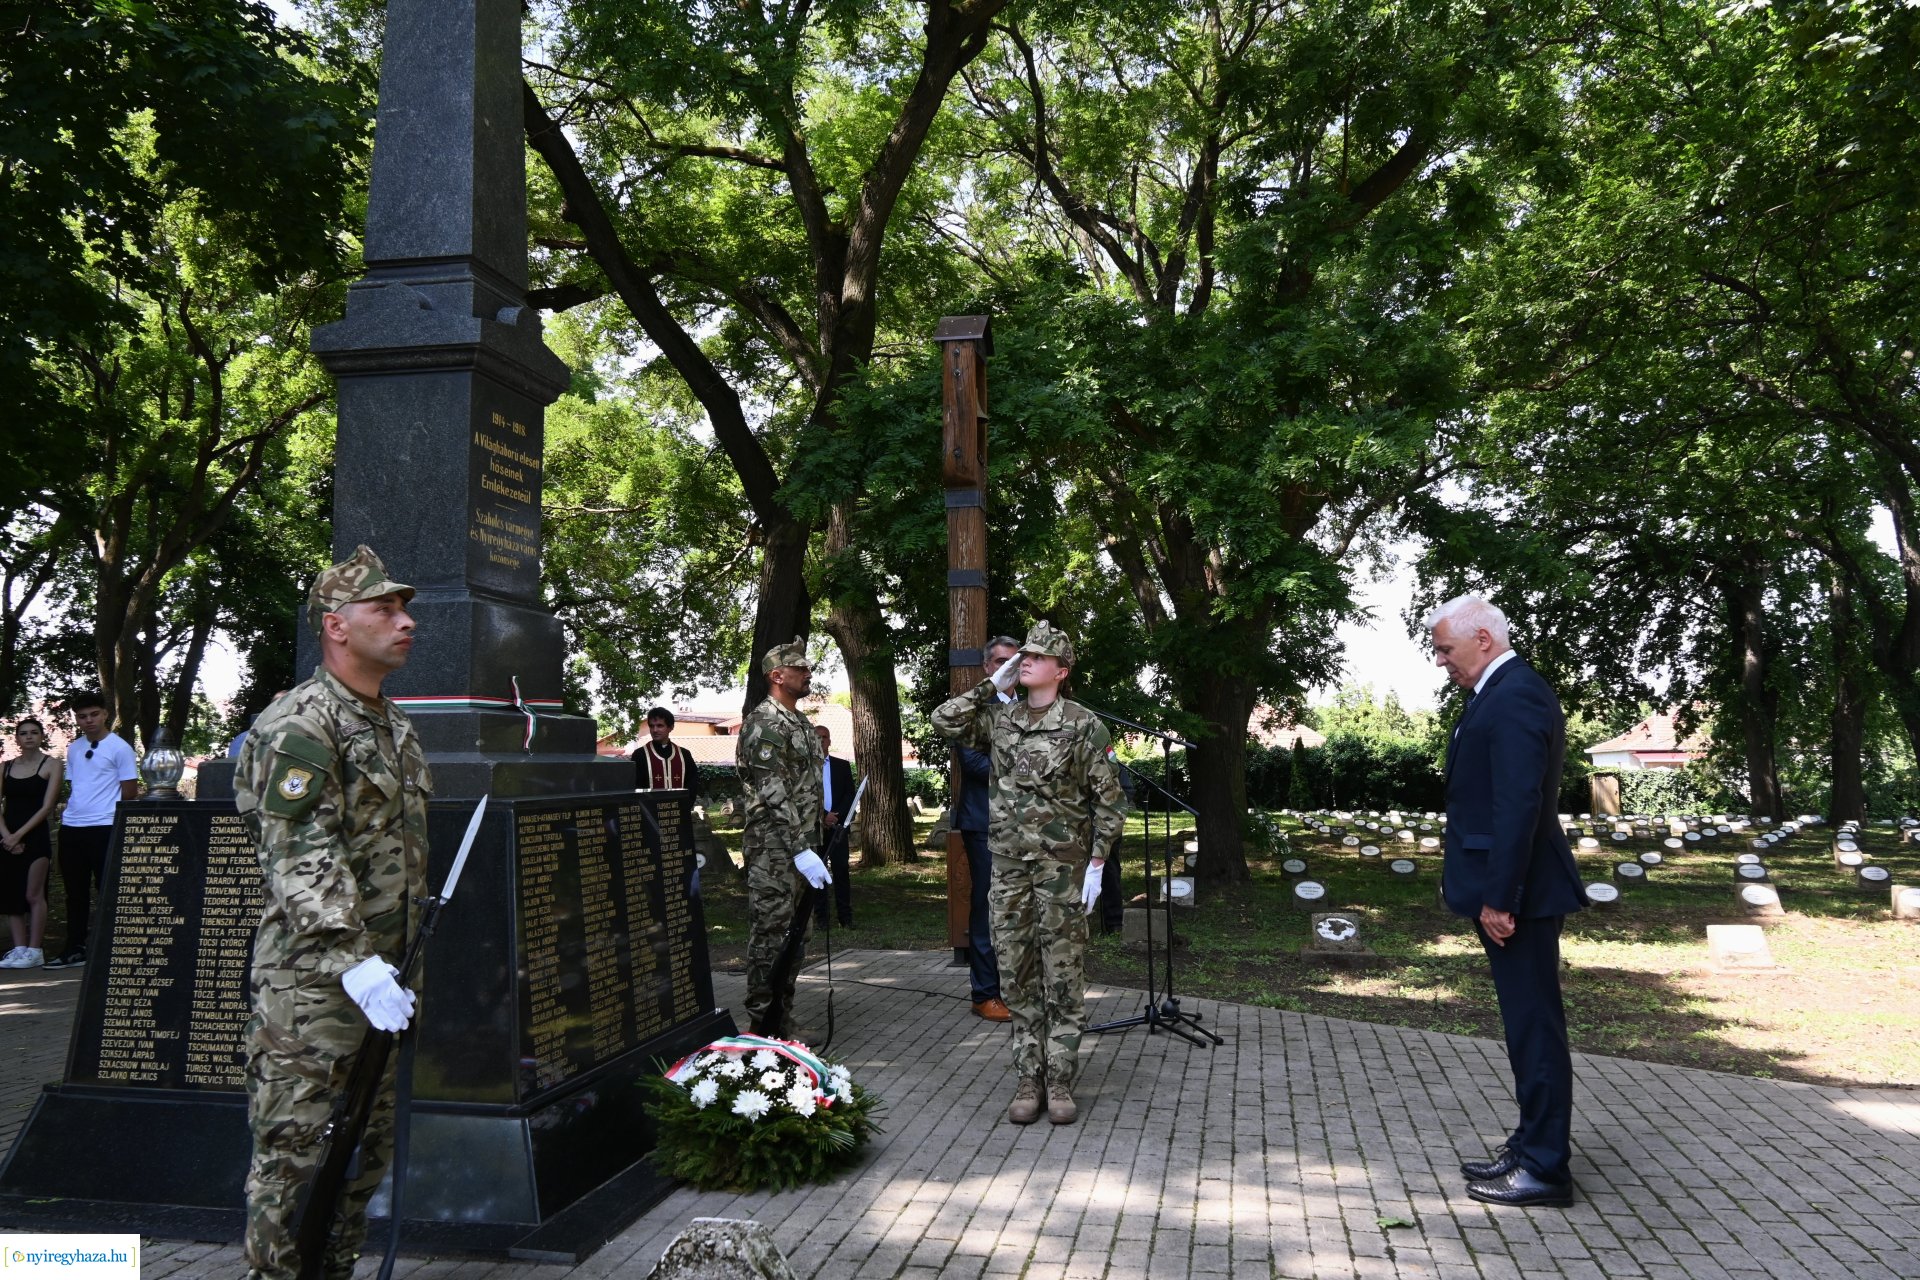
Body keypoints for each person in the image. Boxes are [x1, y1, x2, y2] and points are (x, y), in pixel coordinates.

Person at [233, 545, 432, 1280]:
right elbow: (299, 857)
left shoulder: (394, 726)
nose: (405, 621)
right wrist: (356, 962)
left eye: (404, 608)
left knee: (356, 1166)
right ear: (336, 626)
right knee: (295, 1170)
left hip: (384, 988)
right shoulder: (301, 724)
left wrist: (390, 970)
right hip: (316, 992)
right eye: (385, 608)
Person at [932, 621, 1125, 1126]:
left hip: (1062, 871)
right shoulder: (1001, 720)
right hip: (1010, 869)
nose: (1026, 662)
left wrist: (1098, 863)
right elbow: (943, 721)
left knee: (1062, 974)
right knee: (1016, 974)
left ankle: (1059, 1079)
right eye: (1022, 657)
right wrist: (991, 685)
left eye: (1036, 657)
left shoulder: (1083, 725)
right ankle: (1028, 1076)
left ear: (1061, 671)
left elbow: (1109, 802)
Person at [1427, 593, 1585, 1208]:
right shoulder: (1497, 691)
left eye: (1446, 649)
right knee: (1526, 1029)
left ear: (1483, 639)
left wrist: (1500, 897)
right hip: (1513, 888)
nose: (1442, 661)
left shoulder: (1515, 692)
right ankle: (1529, 1144)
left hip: (1519, 893)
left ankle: (1546, 1169)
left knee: (1535, 1028)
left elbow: (1519, 803)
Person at [736, 637, 830, 1036]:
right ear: (778, 675)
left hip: (801, 846)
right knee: (772, 935)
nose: (809, 672)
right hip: (773, 851)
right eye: (801, 668)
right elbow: (774, 795)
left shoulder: (801, 722)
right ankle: (762, 1024)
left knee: (796, 935)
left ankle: (782, 1019)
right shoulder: (764, 725)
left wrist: (814, 841)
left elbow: (806, 788)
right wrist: (800, 851)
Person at [952, 634, 1020, 1021]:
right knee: (987, 908)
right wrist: (1026, 771)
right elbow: (974, 765)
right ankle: (984, 994)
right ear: (987, 667)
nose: (1007, 668)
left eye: (1014, 661)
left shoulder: (1034, 706)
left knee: (1018, 910)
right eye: (1000, 662)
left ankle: (1017, 988)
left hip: (1027, 827)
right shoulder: (975, 709)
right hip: (985, 823)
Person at [48, 691, 138, 969]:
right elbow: (77, 785)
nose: (88, 721)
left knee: (107, 888)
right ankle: (75, 947)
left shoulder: (120, 748)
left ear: (105, 713)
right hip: (73, 827)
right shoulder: (74, 748)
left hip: (105, 826)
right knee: (75, 892)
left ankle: (113, 948)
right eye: (82, 716)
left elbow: (130, 792)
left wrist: (118, 826)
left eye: (93, 714)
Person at [0, 718, 63, 969]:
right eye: (23, 733)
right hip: (6, 837)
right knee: (11, 893)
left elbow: (48, 806)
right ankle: (19, 949)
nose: (28, 737)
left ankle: (35, 950)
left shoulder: (52, 764)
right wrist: (7, 836)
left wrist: (19, 835)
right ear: (16, 738)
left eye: (34, 732)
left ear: (41, 736)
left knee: (32, 893)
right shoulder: (4, 767)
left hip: (35, 835)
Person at [812, 724, 856, 929]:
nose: (822, 741)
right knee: (818, 873)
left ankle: (845, 918)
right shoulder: (806, 769)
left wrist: (836, 817)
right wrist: (823, 816)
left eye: (825, 737)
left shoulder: (842, 766)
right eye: (818, 737)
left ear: (830, 741)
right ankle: (821, 919)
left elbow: (849, 794)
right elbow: (804, 799)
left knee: (841, 871)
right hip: (816, 828)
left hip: (838, 828)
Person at [631, 705, 701, 797]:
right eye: (652, 726)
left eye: (660, 726)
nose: (655, 730)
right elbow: (635, 787)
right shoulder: (640, 755)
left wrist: (684, 807)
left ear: (671, 727)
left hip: (680, 809)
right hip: (650, 810)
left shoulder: (684, 755)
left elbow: (693, 785)